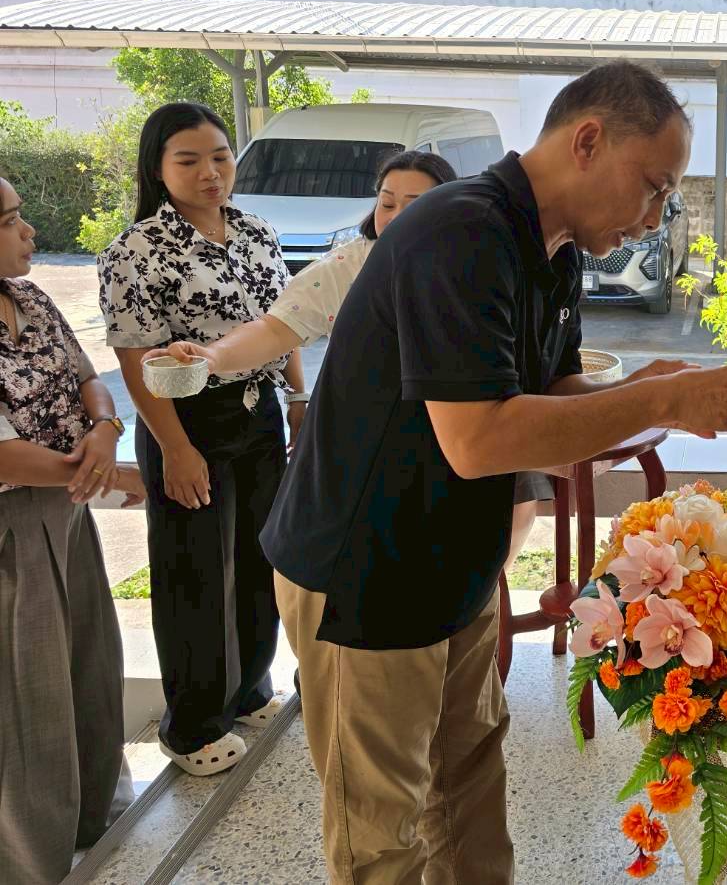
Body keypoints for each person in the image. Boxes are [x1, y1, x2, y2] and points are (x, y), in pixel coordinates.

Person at [261, 60, 727, 885]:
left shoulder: (549, 249)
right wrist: (669, 400)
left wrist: (653, 390)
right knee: (386, 832)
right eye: (653, 187)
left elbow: (546, 409)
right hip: (367, 572)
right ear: (587, 140)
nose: (655, 217)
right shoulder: (461, 230)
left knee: (468, 788)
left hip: (455, 566)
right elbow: (480, 439)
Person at [147, 149, 555, 565]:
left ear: (449, 208)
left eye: (415, 206)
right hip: (381, 454)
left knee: (514, 506)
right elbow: (276, 328)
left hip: (464, 440)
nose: (395, 217)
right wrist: (212, 357)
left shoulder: (478, 264)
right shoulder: (353, 264)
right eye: (387, 202)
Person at [99, 102, 306, 776]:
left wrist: (297, 397)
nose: (211, 172)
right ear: (158, 169)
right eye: (188, 160)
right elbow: (137, 360)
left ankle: (249, 690)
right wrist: (177, 449)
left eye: (220, 156)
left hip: (259, 414)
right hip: (187, 422)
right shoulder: (136, 250)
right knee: (194, 573)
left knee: (256, 558)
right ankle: (191, 726)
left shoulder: (254, 230)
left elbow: (286, 319)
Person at [0, 174, 145, 883]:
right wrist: (103, 473)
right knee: (29, 698)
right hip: (13, 523)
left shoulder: (28, 296)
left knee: (88, 664)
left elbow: (88, 377)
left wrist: (107, 429)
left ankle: (98, 816)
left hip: (67, 508)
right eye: (11, 220)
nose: (28, 232)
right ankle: (35, 861)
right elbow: (2, 454)